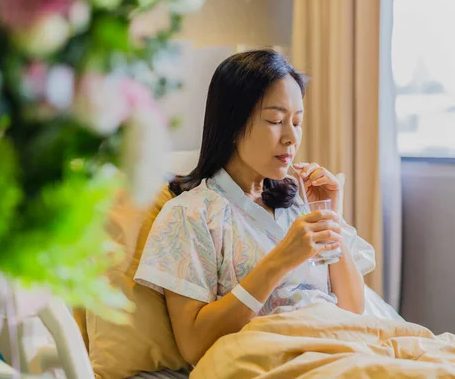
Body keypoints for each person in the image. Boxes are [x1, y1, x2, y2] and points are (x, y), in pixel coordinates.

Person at [134, 49, 375, 366]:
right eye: (275, 120)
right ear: (233, 124)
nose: (291, 137)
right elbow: (194, 345)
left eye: (297, 122)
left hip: (344, 349)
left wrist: (329, 217)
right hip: (278, 364)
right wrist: (280, 260)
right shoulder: (192, 214)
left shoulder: (298, 205)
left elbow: (353, 308)